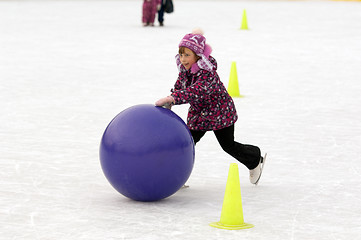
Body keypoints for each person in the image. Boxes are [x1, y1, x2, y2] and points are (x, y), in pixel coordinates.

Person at [155, 29, 266, 185]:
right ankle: (175, 177)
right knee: (186, 143)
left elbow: (196, 91)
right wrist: (171, 98)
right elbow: (181, 87)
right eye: (181, 54)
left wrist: (173, 98)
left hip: (220, 113)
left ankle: (254, 158)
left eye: (187, 55)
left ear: (198, 56)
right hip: (199, 114)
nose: (183, 59)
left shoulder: (208, 74)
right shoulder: (185, 71)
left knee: (228, 146)